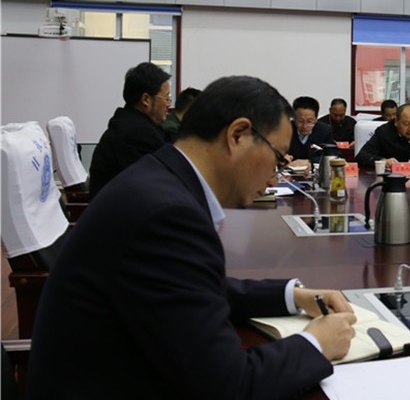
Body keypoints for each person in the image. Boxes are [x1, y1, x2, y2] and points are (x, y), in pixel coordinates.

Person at [27, 76, 357, 399]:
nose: (275, 176)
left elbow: (191, 288)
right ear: (237, 135)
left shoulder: (160, 178)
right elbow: (227, 385)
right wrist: (316, 344)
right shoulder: (168, 214)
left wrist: (292, 296)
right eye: (277, 157)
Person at [88, 62, 171, 199]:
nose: (168, 104)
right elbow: (160, 186)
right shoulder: (135, 134)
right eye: (166, 98)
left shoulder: (134, 125)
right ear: (146, 100)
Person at [287, 96, 336, 168]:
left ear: (316, 119)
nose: (304, 126)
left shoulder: (325, 131)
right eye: (300, 121)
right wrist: (281, 157)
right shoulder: (284, 129)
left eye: (309, 121)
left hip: (314, 172)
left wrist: (310, 162)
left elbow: (332, 155)